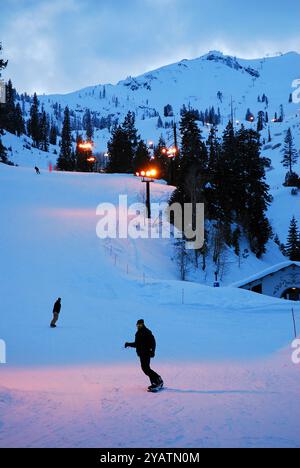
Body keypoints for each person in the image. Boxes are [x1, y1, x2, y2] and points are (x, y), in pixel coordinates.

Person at [125, 319, 163, 391]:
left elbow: (153, 342)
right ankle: (157, 381)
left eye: (140, 325)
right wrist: (128, 344)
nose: (139, 326)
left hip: (146, 353)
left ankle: (156, 382)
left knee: (146, 368)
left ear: (143, 324)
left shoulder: (147, 332)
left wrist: (153, 351)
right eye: (138, 325)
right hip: (141, 354)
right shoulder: (138, 333)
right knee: (146, 369)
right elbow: (137, 344)